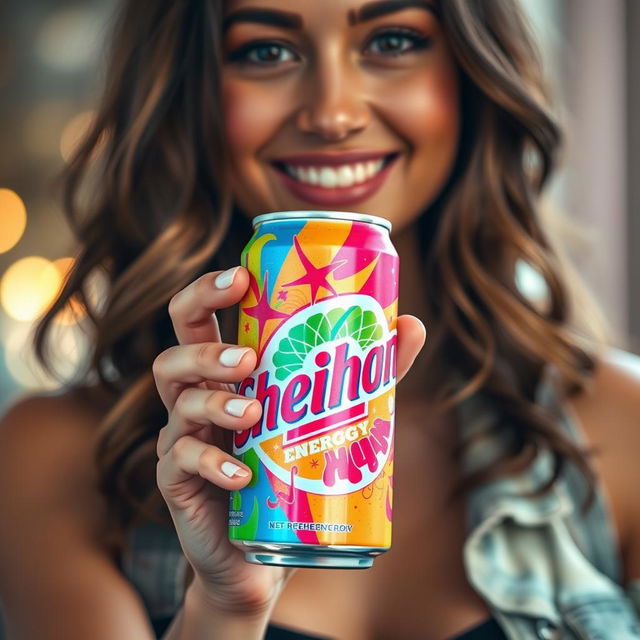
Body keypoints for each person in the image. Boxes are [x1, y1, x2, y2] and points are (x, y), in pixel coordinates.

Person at [1, 0, 639, 638]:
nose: (333, 115)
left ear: (475, 76)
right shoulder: (51, 455)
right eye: (266, 51)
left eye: (391, 41)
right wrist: (226, 608)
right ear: (184, 91)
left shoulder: (624, 426)